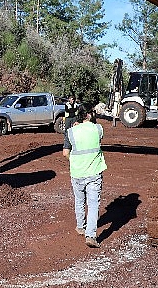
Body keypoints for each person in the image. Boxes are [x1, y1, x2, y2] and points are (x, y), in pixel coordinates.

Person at [63, 105, 107, 248]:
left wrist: (75, 161)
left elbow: (65, 153)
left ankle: (80, 226)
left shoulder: (70, 132)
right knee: (93, 204)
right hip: (94, 172)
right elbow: (98, 141)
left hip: (77, 172)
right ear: (89, 114)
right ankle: (91, 235)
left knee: (80, 200)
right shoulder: (98, 129)